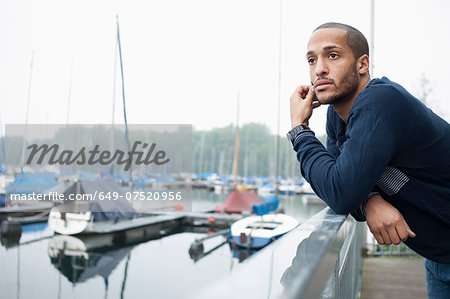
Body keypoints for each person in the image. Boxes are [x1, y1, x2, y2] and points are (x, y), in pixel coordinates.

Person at [287, 22, 450, 298]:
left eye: (333, 56)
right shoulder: (337, 119)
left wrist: (299, 130)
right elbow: (337, 180)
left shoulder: (380, 102)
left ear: (362, 64)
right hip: (439, 258)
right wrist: (369, 200)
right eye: (312, 60)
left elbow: (340, 190)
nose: (319, 69)